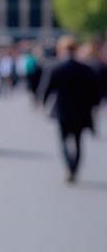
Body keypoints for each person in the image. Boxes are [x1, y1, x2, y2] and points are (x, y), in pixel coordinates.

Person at [37, 35, 101, 184]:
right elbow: (94, 92)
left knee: (63, 140)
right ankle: (75, 168)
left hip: (62, 110)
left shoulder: (56, 67)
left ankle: (69, 167)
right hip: (81, 110)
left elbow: (46, 89)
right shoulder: (85, 68)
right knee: (78, 141)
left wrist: (43, 104)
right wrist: (93, 106)